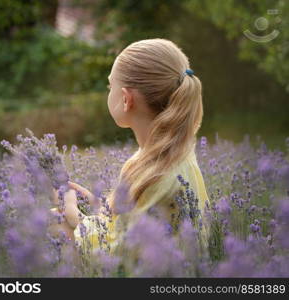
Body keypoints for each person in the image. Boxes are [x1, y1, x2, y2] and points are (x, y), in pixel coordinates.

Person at [49, 38, 210, 257]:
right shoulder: (166, 159)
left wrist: (72, 214)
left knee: (53, 223)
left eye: (110, 86)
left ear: (125, 99)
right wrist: (99, 206)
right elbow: (124, 228)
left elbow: (118, 256)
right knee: (56, 218)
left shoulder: (160, 175)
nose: (109, 91)